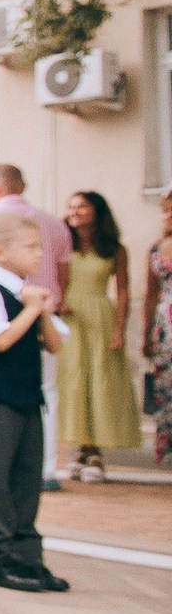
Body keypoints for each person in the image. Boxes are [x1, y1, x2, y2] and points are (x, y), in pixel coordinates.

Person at [0, 211, 70, 592]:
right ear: (0, 252)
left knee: (27, 479)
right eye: (31, 247)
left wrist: (41, 311)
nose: (41, 254)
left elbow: (57, 344)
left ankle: (28, 558)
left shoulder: (27, 293)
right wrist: (30, 308)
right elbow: (0, 340)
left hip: (27, 396)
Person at [0, 164, 72, 488]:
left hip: (35, 319)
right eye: (32, 249)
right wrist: (49, 302)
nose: (38, 253)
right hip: (4, 356)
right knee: (46, 393)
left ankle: (32, 472)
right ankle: (47, 470)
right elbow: (65, 273)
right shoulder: (51, 222)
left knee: (34, 402)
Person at [57, 190, 140, 480]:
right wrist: (57, 302)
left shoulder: (114, 248)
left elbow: (124, 290)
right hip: (69, 320)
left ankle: (94, 453)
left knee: (100, 382)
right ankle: (81, 449)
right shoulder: (62, 244)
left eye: (81, 206)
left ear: (97, 211)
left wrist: (120, 328)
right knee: (74, 381)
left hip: (100, 317)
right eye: (71, 206)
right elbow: (50, 277)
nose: (74, 211)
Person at [142, 193, 172, 463]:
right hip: (165, 327)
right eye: (165, 210)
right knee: (166, 386)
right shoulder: (157, 247)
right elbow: (150, 293)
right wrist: (145, 332)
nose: (168, 215)